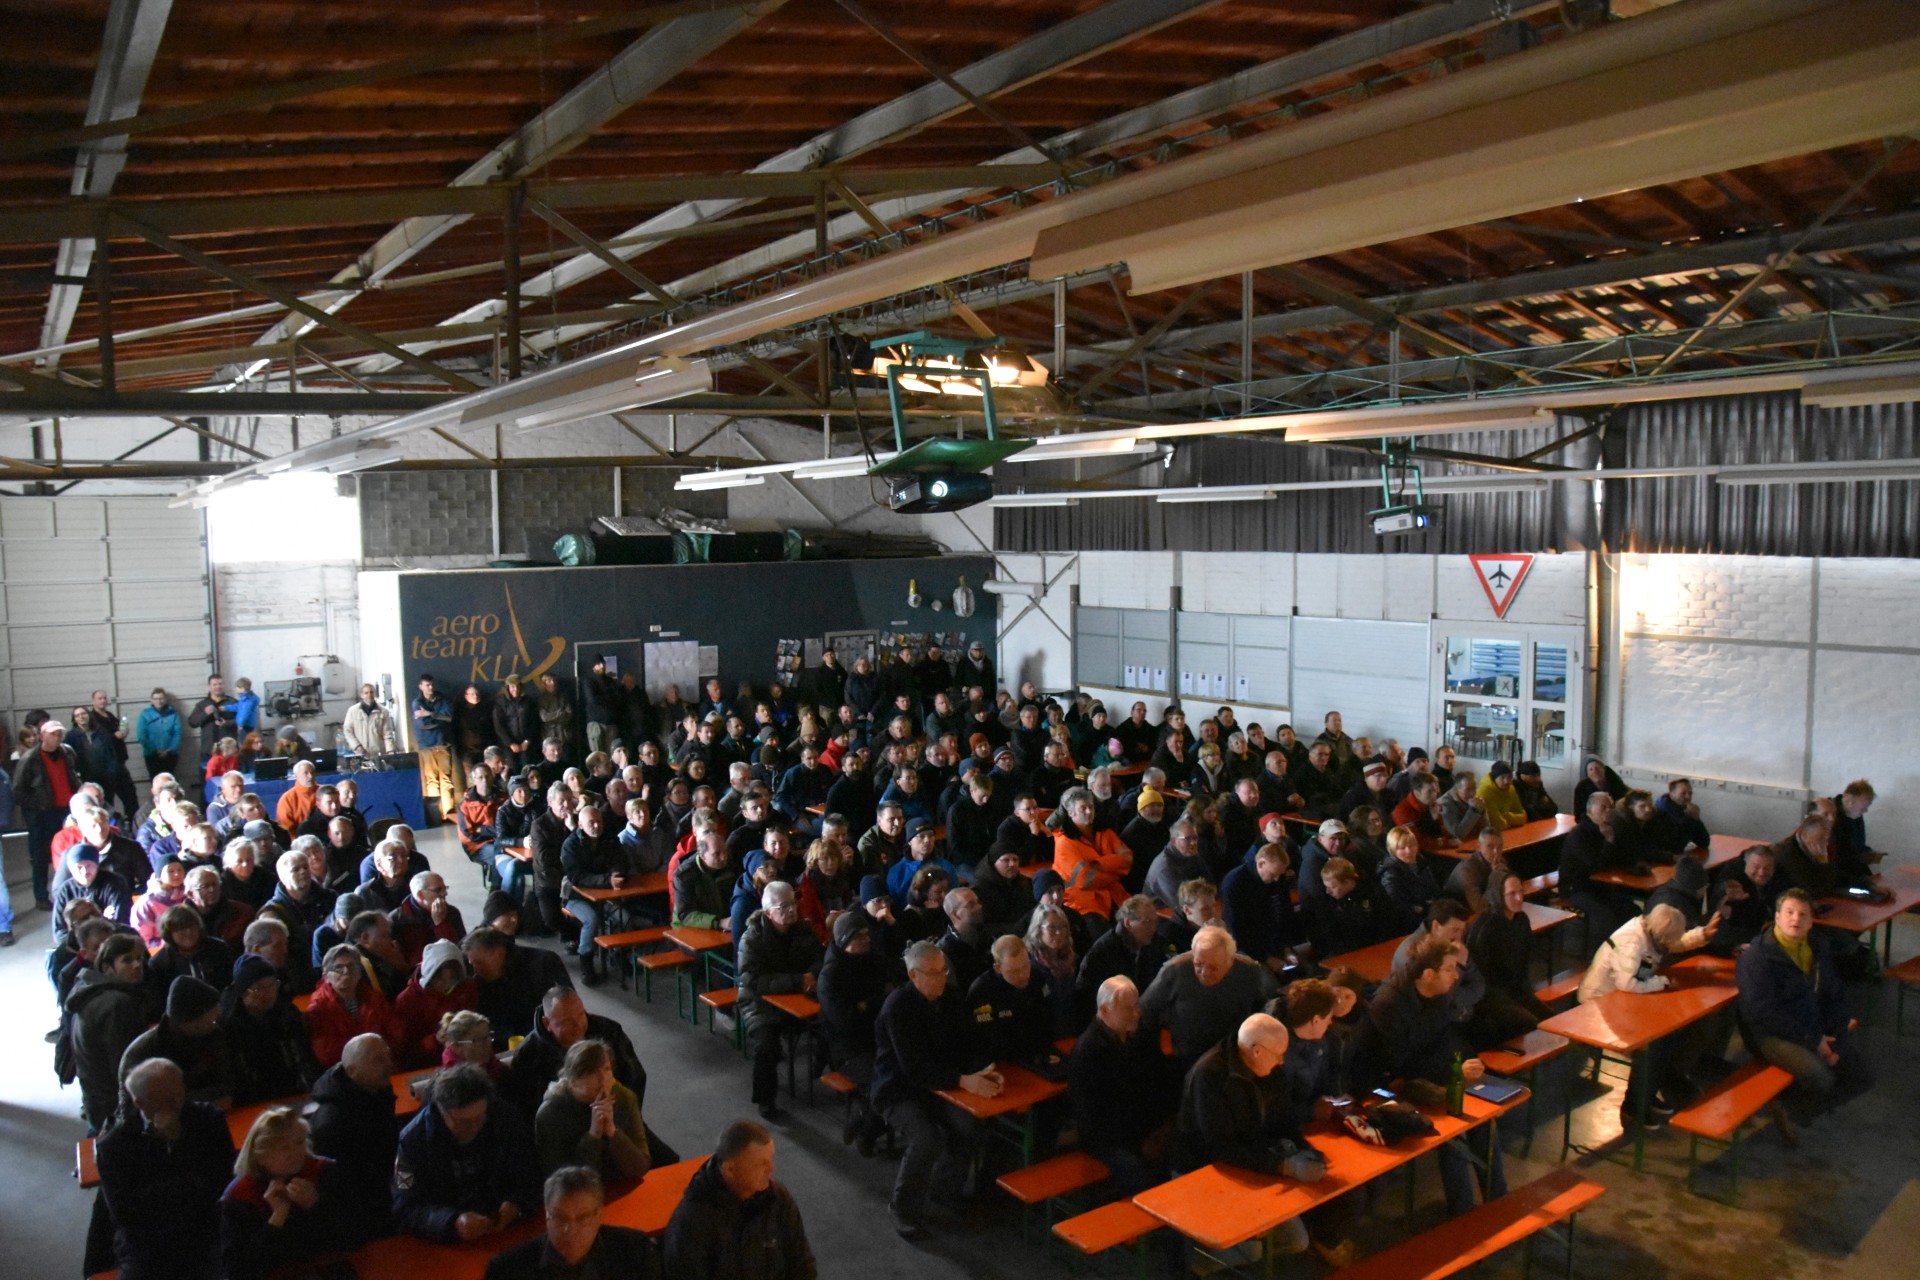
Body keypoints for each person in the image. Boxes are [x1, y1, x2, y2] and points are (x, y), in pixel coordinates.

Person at [1355, 939, 1505, 1215]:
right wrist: (1453, 1071)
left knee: (1484, 1123)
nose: (1456, 976)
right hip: (1387, 1086)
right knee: (1453, 1131)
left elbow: (1444, 1040)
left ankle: (1499, 1203)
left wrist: (1467, 1065)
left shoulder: (1439, 995)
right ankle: (1463, 1212)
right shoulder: (1389, 1004)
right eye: (1449, 969)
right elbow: (1400, 1064)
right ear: (1427, 974)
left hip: (1427, 1074)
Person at [872, 941, 1002, 1238]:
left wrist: (984, 1070)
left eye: (943, 970)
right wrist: (962, 1080)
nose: (941, 977)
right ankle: (902, 1208)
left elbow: (969, 1044)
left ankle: (945, 1190)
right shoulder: (898, 1007)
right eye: (933, 973)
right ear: (913, 975)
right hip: (898, 1090)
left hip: (942, 1085)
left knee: (971, 1127)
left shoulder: (952, 999)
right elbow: (913, 1067)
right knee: (925, 1138)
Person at [1168, 1013, 1314, 1254]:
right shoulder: (1210, 1074)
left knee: (1296, 1241)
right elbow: (1220, 1147)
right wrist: (1282, 1166)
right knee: (1251, 1252)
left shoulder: (1267, 1068)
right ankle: (1196, 1259)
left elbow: (1283, 1116)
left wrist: (1305, 1149)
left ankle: (1250, 1250)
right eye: (1279, 1054)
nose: (1282, 1061)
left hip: (1249, 1161)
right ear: (1257, 1051)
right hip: (1203, 1168)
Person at [1737, 888, 1873, 1132]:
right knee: (1820, 1077)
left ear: (1811, 921)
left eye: (1802, 914)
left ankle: (1793, 1109)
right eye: (1789, 912)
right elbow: (1763, 1013)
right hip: (1771, 1035)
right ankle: (1789, 1108)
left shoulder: (1818, 949)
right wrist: (1814, 1040)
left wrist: (1838, 1036)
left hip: (1814, 1026)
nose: (1795, 919)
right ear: (1777, 917)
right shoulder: (1757, 959)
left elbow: (1834, 995)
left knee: (1861, 1076)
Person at [97, 1059, 237, 1280]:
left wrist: (177, 1145)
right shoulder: (115, 1146)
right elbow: (125, 1213)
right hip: (148, 1244)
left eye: (179, 1093)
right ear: (140, 1103)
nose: (177, 1103)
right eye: (166, 1099)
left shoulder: (208, 1119)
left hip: (206, 1229)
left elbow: (222, 1181)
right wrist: (188, 1183)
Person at [1577, 904, 1716, 1123]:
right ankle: (1634, 1106)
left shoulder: (1653, 932)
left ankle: (1650, 1091)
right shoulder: (1631, 942)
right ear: (1661, 936)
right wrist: (1660, 982)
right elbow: (1627, 983)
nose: (1671, 945)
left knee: (1669, 1032)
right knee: (1651, 1043)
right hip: (1598, 1003)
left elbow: (1676, 942)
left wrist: (1702, 935)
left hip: (1622, 999)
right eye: (1669, 940)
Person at [394, 1063, 541, 1243]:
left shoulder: (506, 1118)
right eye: (463, 1122)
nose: (474, 1128)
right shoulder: (412, 1141)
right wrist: (451, 1221)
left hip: (506, 1230)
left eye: (479, 1118)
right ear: (441, 1111)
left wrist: (517, 1204)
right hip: (447, 1241)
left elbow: (532, 1171)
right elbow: (405, 1206)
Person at [663, 1119, 816, 1279]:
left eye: (770, 1159)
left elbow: (802, 1263)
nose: (771, 1169)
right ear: (730, 1169)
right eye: (760, 1164)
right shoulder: (691, 1223)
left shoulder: (777, 1197)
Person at [220, 1106, 360, 1280]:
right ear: (259, 1156)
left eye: (299, 1142)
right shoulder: (240, 1196)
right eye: (283, 1148)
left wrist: (316, 1205)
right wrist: (276, 1219)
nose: (295, 1153)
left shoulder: (324, 1172)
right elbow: (237, 1270)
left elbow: (356, 1235)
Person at [1069, 975, 1176, 1194]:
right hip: (1110, 1141)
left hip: (1147, 1130)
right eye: (1128, 1009)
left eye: (1136, 1006)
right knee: (1145, 1181)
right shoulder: (1089, 1053)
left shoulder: (1140, 1036)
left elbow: (1159, 1081)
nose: (1136, 1014)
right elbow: (1094, 1117)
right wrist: (1140, 1143)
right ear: (1104, 1010)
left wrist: (1163, 1127)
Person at [738, 880, 824, 1122]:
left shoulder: (803, 930)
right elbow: (753, 981)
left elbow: (820, 958)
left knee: (835, 1022)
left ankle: (825, 1068)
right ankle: (765, 1101)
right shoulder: (752, 938)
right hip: (759, 1004)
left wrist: (812, 975)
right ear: (768, 912)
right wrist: (798, 981)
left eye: (793, 904)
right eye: (783, 906)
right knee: (767, 1046)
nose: (792, 910)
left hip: (799, 997)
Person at [486, 1165, 662, 1280]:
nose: (570, 1231)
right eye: (560, 1217)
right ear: (547, 1215)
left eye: (582, 1218)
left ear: (598, 1216)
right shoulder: (507, 1271)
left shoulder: (635, 1252)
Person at [1138, 924, 1274, 1068]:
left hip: (1233, 1055)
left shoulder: (1248, 972)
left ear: (1230, 962)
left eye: (1213, 967)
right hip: (1187, 1059)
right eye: (1198, 964)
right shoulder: (1175, 970)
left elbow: (1260, 1008)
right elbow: (1145, 1010)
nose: (1204, 972)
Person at [307, 1032, 400, 1230]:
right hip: (361, 1212)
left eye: (388, 1056)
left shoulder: (376, 1091)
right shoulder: (333, 1124)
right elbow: (346, 1185)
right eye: (378, 1060)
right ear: (351, 1071)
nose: (389, 1065)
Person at [64, 933, 155, 1133]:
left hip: (96, 1102)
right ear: (107, 967)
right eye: (127, 960)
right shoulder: (117, 1004)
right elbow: (125, 1064)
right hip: (115, 1108)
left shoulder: (89, 990)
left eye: (139, 958)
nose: (137, 965)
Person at [535, 1039, 651, 1186]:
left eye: (607, 1069)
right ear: (573, 1081)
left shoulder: (624, 1099)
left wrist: (613, 1133)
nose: (603, 1079)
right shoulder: (550, 1115)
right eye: (592, 1072)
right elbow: (560, 1182)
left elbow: (640, 1168)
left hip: (621, 1186)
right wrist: (593, 1136)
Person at [119, 974, 236, 1115]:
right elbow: (131, 1109)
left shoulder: (214, 1036)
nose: (215, 1022)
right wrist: (199, 1104)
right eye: (211, 1020)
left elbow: (228, 1082)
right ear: (190, 1022)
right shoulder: (141, 1053)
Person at [221, 953, 318, 1104]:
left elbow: (305, 1055)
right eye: (258, 988)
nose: (268, 993)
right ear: (243, 992)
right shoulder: (229, 1026)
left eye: (272, 985)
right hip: (253, 1098)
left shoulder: (288, 1014)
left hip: (294, 1090)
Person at [14, 717, 83, 911]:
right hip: (43, 814)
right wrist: (38, 806)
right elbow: (18, 790)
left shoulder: (67, 753)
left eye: (60, 734)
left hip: (66, 811)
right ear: (42, 736)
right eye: (53, 734)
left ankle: (72, 893)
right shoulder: (30, 759)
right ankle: (41, 897)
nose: (57, 737)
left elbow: (75, 775)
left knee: (70, 851)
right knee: (40, 856)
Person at [306, 942, 406, 1068]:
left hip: (382, 1064)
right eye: (338, 968)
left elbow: (398, 1033)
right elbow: (326, 1053)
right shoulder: (318, 1010)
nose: (346, 971)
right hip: (346, 1071)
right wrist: (368, 1049)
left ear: (359, 972)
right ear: (326, 977)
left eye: (351, 966)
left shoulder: (375, 998)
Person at [1560, 792, 1635, 957]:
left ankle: (1627, 953)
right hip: (1576, 888)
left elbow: (1620, 857)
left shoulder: (1610, 829)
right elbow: (1594, 866)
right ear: (1590, 811)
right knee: (1604, 914)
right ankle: (1599, 956)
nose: (1609, 811)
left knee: (1631, 910)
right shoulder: (1580, 834)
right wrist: (1609, 842)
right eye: (1603, 807)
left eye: (1611, 807)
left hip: (1601, 885)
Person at [135, 687, 183, 788]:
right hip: (152, 755)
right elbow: (141, 736)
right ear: (151, 700)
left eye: (161, 698)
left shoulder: (173, 714)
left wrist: (170, 749)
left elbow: (177, 733)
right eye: (156, 699)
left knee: (170, 784)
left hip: (170, 755)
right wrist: (154, 750)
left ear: (165, 699)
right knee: (155, 784)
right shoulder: (145, 714)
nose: (159, 701)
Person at [1476, 760, 1528, 831]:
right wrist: (1514, 820)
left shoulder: (1511, 789)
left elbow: (1523, 817)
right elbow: (1498, 825)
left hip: (1509, 831)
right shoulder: (1485, 791)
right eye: (1502, 777)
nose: (1506, 781)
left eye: (1509, 777)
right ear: (1495, 778)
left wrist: (1509, 817)